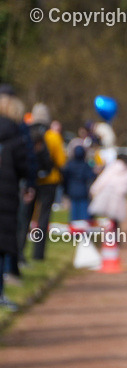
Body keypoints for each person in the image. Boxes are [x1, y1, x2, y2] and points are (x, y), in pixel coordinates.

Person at [21, 103, 66, 262]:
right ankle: (38, 254)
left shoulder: (27, 132)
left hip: (31, 179)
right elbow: (61, 161)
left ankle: (20, 252)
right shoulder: (53, 136)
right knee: (44, 218)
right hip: (49, 181)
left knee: (26, 216)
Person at [0, 93, 32, 310]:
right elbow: (26, 165)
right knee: (2, 246)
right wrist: (30, 183)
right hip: (6, 195)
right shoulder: (15, 134)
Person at [62, 145, 95, 222]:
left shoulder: (69, 164)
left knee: (74, 213)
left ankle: (75, 231)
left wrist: (65, 190)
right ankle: (82, 230)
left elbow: (65, 177)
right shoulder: (86, 165)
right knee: (83, 213)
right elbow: (90, 176)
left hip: (72, 190)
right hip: (83, 191)